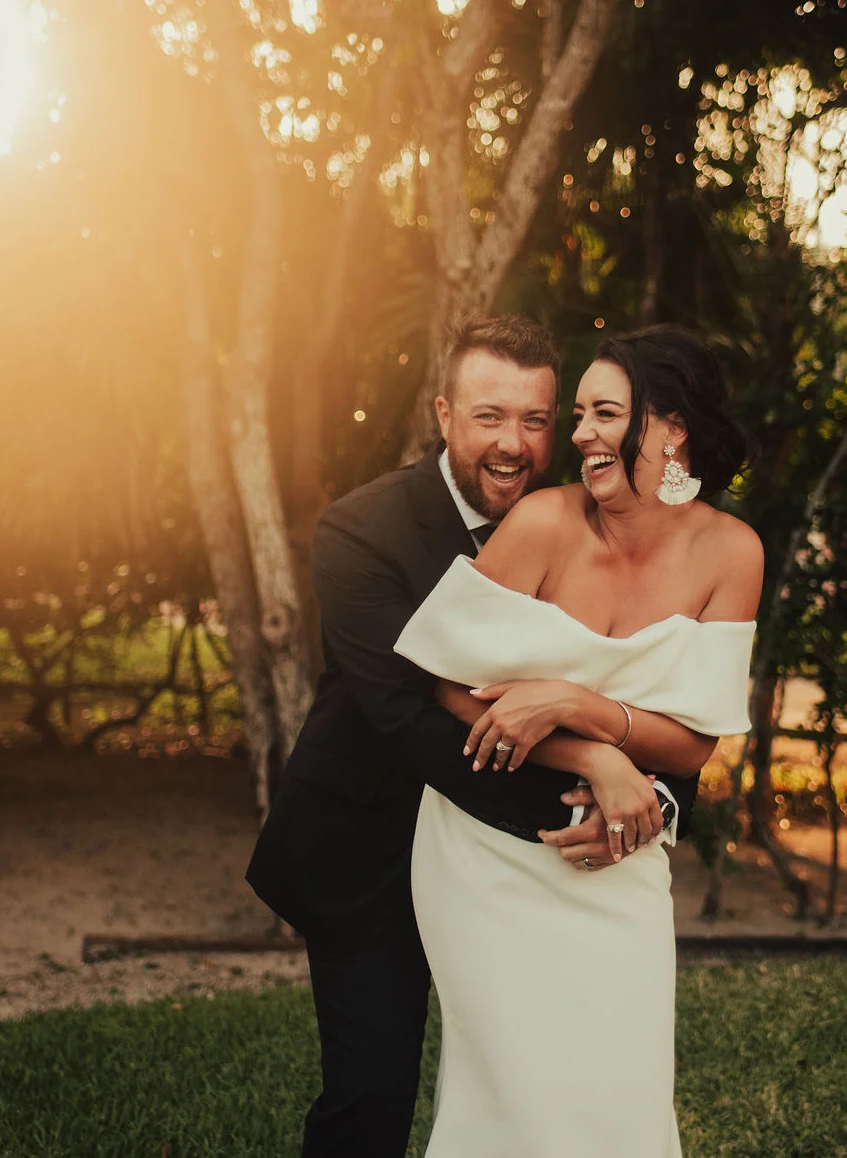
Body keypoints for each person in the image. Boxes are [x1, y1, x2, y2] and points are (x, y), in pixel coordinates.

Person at [246, 317, 702, 1158]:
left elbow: (650, 677)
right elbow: (406, 716)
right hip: (372, 851)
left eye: (534, 420)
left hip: (523, 878)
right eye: (489, 417)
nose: (512, 443)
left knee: (540, 1086)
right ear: (444, 414)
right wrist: (591, 772)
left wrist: (653, 796)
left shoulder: (595, 520)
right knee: (370, 1094)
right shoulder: (360, 531)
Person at [393, 324, 762, 1157]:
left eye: (606, 413)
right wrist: (593, 754)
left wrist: (575, 703)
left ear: (671, 430)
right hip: (483, 858)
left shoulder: (732, 551)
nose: (583, 434)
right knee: (514, 1097)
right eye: (583, 414)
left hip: (620, 858)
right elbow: (448, 679)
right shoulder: (543, 522)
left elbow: (694, 741)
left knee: (619, 1094)